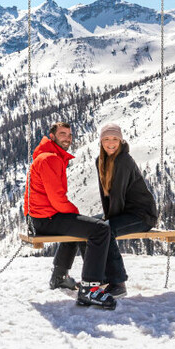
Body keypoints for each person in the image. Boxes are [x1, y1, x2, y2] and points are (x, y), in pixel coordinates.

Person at [54, 123, 159, 297]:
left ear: (121, 140)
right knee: (86, 226)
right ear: (101, 141)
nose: (111, 143)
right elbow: (106, 196)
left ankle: (118, 282)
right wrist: (103, 218)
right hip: (122, 212)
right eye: (107, 139)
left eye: (115, 139)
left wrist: (104, 221)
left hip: (141, 215)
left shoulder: (124, 160)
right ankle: (100, 277)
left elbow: (117, 196)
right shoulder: (101, 160)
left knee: (104, 230)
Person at [24, 121, 117, 310]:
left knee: (78, 225)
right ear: (52, 137)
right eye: (62, 134)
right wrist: (76, 215)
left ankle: (59, 277)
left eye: (69, 135)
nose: (67, 138)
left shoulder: (47, 156)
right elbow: (57, 199)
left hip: (40, 218)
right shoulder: (50, 159)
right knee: (99, 229)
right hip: (46, 219)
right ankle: (90, 288)